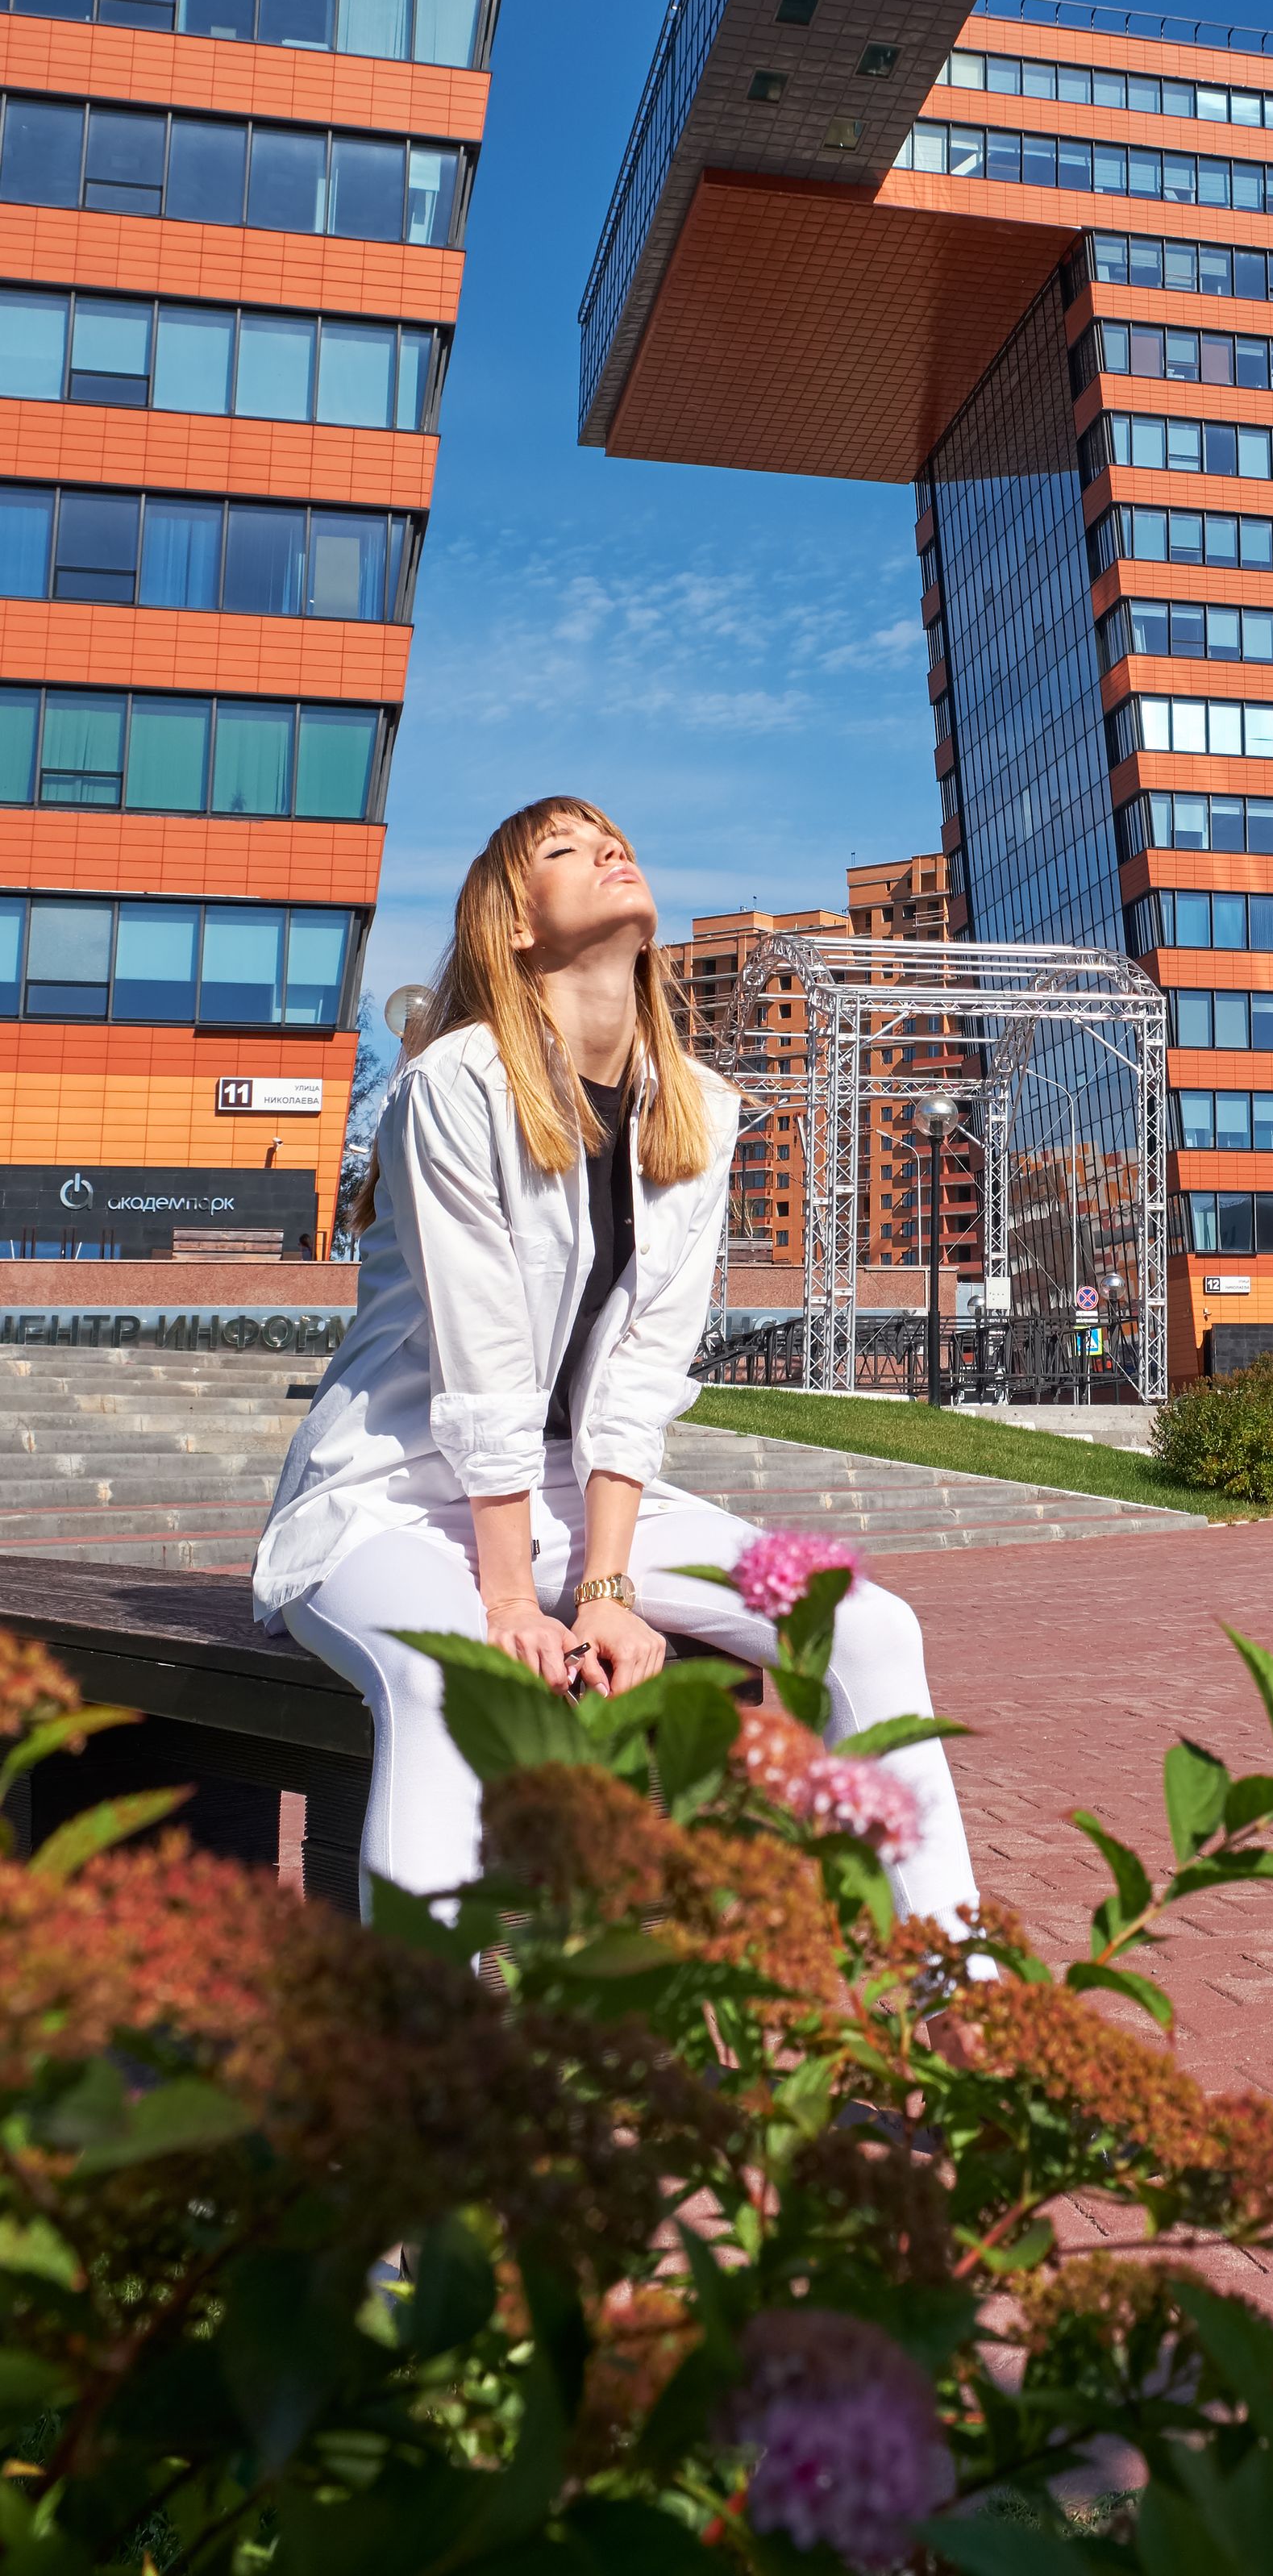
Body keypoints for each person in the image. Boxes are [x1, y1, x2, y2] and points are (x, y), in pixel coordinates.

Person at [253, 797, 978, 1925]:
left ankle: (952, 1992)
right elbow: (482, 1354)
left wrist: (606, 1587)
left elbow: (644, 1368)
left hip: (570, 1496)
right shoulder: (455, 1085)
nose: (608, 848)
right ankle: (427, 2070)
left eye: (612, 837)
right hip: (392, 1496)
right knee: (458, 1683)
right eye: (563, 847)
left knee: (867, 1627)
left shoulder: (700, 1110)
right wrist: (507, 1597)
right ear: (516, 927)